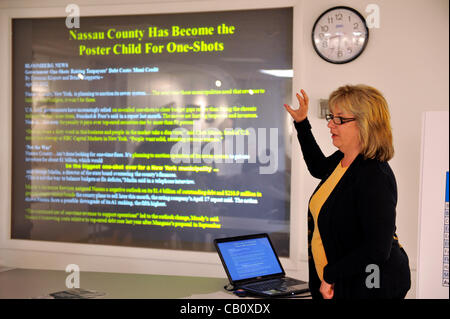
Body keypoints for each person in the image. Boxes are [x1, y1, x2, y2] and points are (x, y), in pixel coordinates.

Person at [283, 85, 411, 299]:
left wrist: (331, 275)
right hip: (338, 281)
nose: (331, 124)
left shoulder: (374, 175)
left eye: (340, 119)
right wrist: (302, 123)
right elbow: (317, 167)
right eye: (331, 117)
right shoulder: (343, 161)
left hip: (371, 284)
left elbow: (377, 249)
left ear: (365, 124)